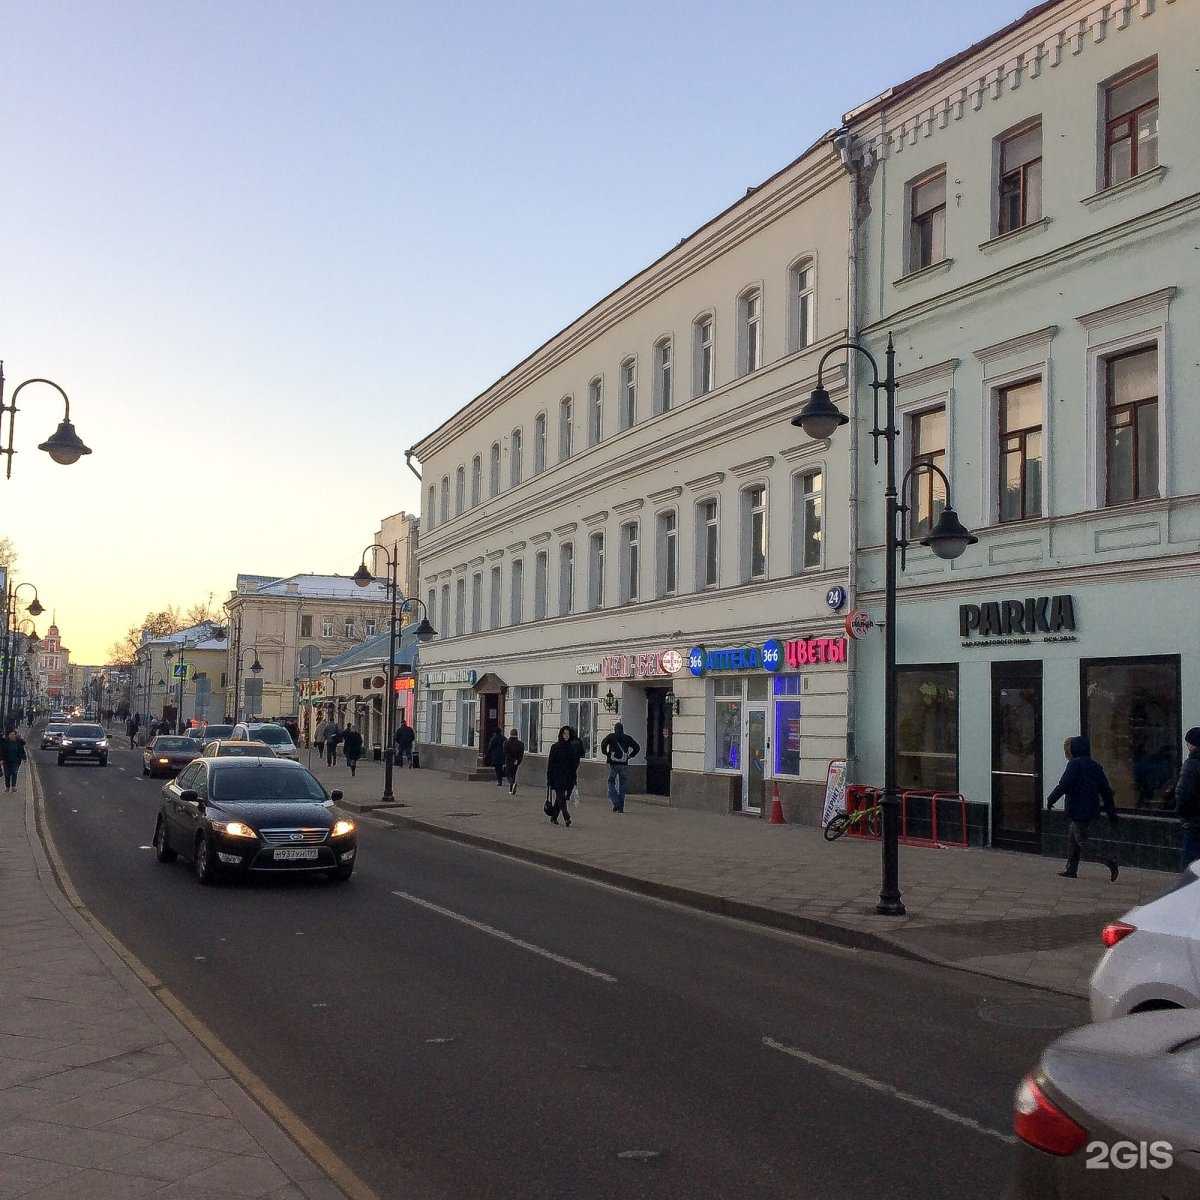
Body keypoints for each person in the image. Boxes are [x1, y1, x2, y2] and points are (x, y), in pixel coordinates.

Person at [1046, 735, 1119, 881]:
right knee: (1073, 838)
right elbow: (1105, 790)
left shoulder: (1075, 764)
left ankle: (1109, 861)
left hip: (1078, 808)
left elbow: (1064, 784)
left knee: (1082, 842)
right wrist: (1111, 811)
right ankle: (1071, 869)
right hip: (1090, 808)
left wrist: (1051, 799)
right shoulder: (1094, 765)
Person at [1174, 726, 1200, 871]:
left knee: (1190, 865)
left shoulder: (1192, 764)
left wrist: (1183, 815)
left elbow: (1184, 794)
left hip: (1194, 822)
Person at [600, 721, 640, 813]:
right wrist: (630, 755)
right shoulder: (627, 738)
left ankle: (616, 802)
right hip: (623, 764)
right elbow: (637, 747)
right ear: (622, 729)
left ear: (615, 729)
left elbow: (603, 744)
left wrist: (606, 753)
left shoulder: (611, 736)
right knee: (622, 784)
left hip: (613, 763)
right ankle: (620, 807)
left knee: (611, 782)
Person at [545, 725, 577, 826]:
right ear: (561, 734)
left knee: (560, 798)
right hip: (556, 776)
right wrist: (549, 777)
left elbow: (574, 764)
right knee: (561, 796)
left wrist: (574, 778)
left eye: (568, 734)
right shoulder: (555, 747)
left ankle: (554, 817)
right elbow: (550, 763)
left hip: (567, 776)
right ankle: (566, 816)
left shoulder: (572, 748)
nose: (566, 736)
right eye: (564, 734)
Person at [504, 728, 525, 795]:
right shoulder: (521, 744)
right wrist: (518, 761)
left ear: (510, 734)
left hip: (509, 761)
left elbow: (505, 752)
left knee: (508, 774)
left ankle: (512, 784)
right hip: (516, 761)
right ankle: (511, 790)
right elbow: (521, 754)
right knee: (513, 774)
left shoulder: (506, 742)